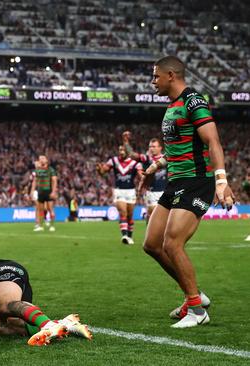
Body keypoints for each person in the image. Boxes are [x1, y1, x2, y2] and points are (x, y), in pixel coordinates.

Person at [143, 55, 234, 328]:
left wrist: (221, 180)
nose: (153, 81)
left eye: (156, 76)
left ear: (172, 75)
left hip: (196, 181)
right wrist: (158, 163)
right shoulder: (172, 106)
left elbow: (212, 141)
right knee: (152, 244)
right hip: (175, 182)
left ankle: (196, 309)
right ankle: (193, 295)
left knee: (172, 242)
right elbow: (178, 148)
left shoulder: (194, 101)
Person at [96, 145, 143, 245]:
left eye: (123, 150)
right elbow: (103, 172)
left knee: (130, 216)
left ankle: (130, 237)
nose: (121, 152)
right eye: (119, 150)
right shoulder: (113, 161)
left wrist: (143, 181)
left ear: (128, 152)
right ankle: (124, 235)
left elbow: (141, 176)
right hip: (118, 191)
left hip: (131, 191)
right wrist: (99, 170)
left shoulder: (135, 164)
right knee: (123, 213)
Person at [138, 138, 167, 222]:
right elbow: (141, 173)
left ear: (160, 147)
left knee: (163, 217)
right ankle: (150, 233)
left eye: (154, 146)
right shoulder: (146, 159)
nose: (151, 148)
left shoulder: (166, 159)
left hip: (165, 190)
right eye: (150, 146)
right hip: (150, 192)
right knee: (152, 213)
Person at [30, 155, 58, 232]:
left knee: (50, 209)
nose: (41, 160)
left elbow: (54, 181)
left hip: (48, 191)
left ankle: (52, 226)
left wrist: (53, 191)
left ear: (46, 160)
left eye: (42, 158)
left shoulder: (51, 170)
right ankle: (41, 226)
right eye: (40, 159)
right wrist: (32, 191)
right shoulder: (38, 170)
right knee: (41, 210)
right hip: (40, 192)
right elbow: (34, 180)